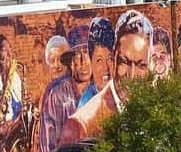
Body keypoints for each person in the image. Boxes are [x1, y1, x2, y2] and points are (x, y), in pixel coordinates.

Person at [60, 9, 153, 144]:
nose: (132, 76)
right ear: (114, 57)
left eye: (141, 65)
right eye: (124, 62)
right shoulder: (81, 125)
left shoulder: (157, 104)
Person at [38, 28, 91, 151]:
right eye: (77, 55)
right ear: (70, 62)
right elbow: (47, 147)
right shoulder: (55, 94)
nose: (83, 61)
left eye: (86, 52)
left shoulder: (100, 88)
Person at [80, 16, 116, 105]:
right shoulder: (87, 104)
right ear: (91, 62)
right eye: (99, 60)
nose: (105, 68)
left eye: (110, 59)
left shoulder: (122, 92)